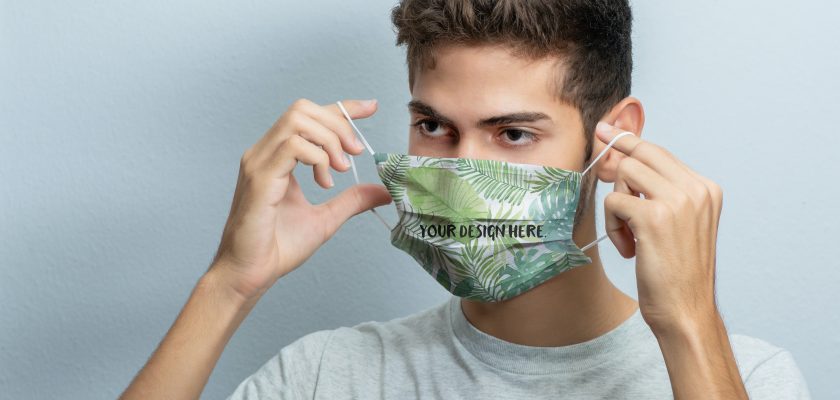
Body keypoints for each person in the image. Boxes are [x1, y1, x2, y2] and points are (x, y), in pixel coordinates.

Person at [120, 0, 811, 399]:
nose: (460, 173)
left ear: (613, 140)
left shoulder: (743, 376)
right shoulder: (327, 376)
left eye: (513, 133)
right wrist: (228, 287)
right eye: (433, 127)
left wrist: (690, 327)